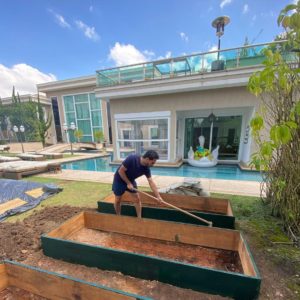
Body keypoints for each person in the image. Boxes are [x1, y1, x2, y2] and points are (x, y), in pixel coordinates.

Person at [112, 150, 163, 218]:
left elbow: (151, 182)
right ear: (147, 159)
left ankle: (139, 218)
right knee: (118, 199)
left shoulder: (146, 169)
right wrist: (128, 183)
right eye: (152, 162)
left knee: (137, 198)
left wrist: (158, 196)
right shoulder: (132, 158)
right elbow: (120, 171)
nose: (153, 165)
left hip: (130, 180)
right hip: (119, 179)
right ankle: (118, 216)